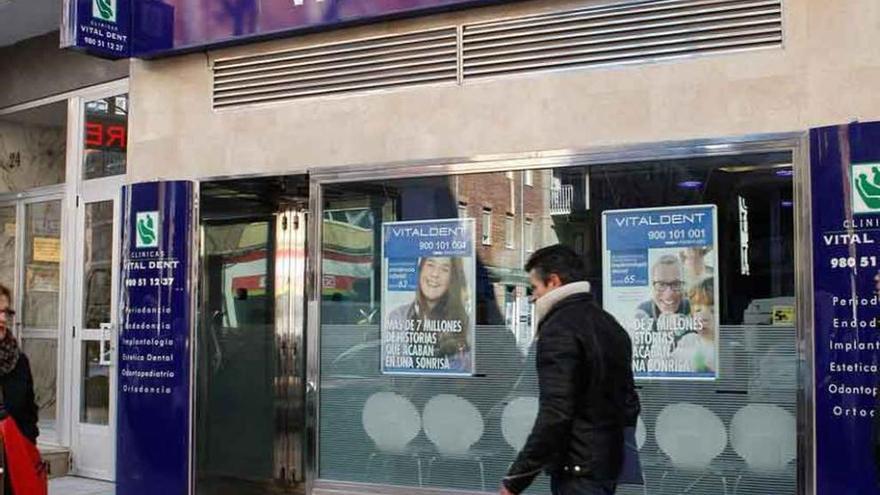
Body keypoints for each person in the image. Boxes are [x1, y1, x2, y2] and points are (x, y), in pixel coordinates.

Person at [500, 245, 640, 495]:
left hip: (576, 470)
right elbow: (629, 404)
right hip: (606, 465)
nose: (533, 298)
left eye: (535, 288)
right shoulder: (609, 324)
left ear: (553, 281)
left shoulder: (558, 330)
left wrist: (516, 479)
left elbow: (555, 414)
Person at [386, 256, 472, 370]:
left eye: (444, 269)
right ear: (420, 270)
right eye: (430, 265)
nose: (435, 274)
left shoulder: (465, 325)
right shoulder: (398, 317)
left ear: (452, 279)